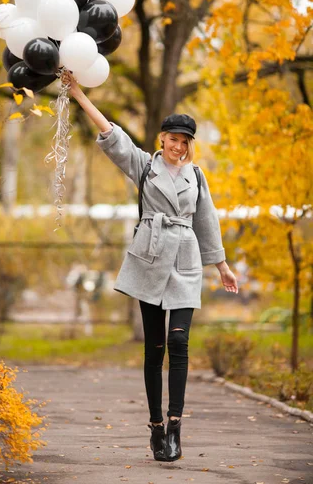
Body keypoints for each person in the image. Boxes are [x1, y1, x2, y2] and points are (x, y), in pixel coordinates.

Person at [69, 76, 238, 463]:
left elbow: (206, 220)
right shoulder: (145, 166)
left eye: (185, 141)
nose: (179, 146)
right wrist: (79, 93)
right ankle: (156, 426)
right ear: (162, 138)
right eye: (173, 139)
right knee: (155, 347)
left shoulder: (197, 176)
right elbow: (112, 134)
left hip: (185, 260)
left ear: (190, 145)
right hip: (150, 256)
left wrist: (222, 266)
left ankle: (176, 427)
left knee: (179, 343)